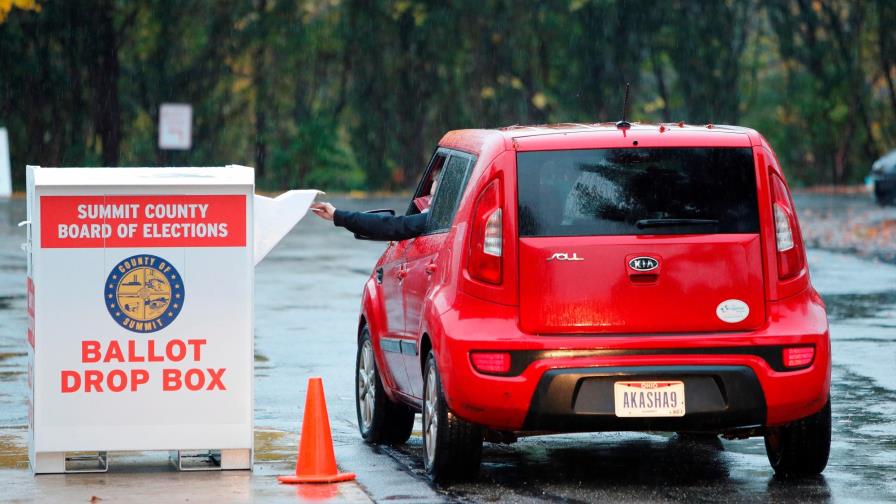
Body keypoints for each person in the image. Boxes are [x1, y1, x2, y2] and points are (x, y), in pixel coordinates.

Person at [310, 168, 439, 241]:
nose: (429, 201)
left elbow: (391, 226)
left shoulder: (437, 219)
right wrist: (336, 216)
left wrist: (337, 215)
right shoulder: (449, 219)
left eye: (434, 196)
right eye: (430, 196)